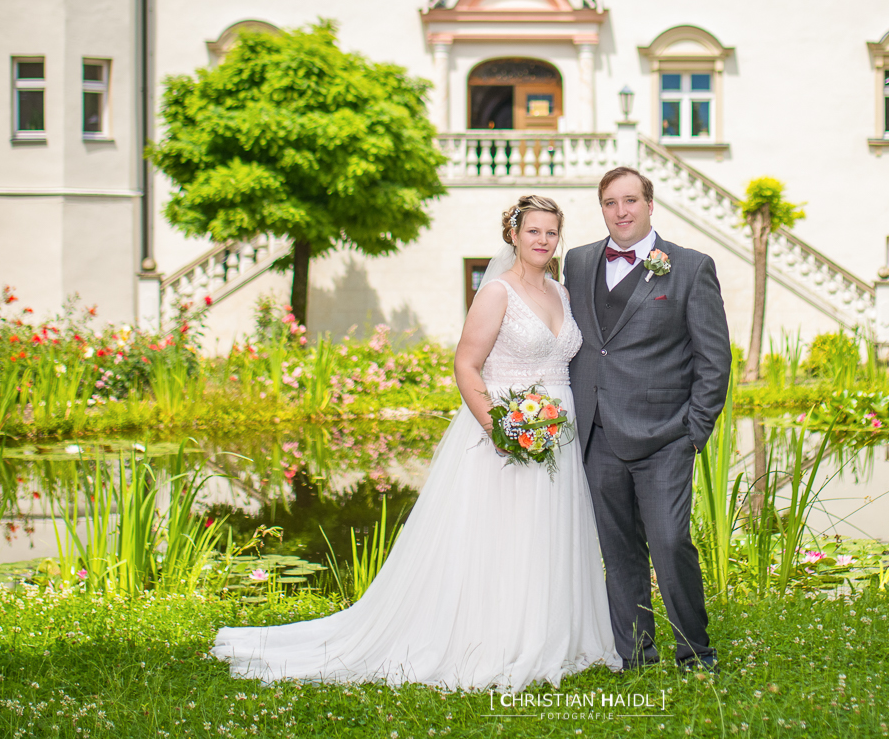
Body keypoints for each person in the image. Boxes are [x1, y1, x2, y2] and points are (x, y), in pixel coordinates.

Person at [209, 194, 616, 690]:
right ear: (513, 234)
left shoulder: (562, 293)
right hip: (507, 429)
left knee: (552, 531)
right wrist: (500, 430)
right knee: (504, 536)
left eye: (551, 232)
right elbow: (465, 366)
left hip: (558, 430)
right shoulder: (497, 294)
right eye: (533, 231)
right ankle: (496, 637)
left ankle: (555, 633)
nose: (543, 241)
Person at [566, 166, 731, 671]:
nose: (622, 211)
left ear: (650, 204)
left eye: (631, 200)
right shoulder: (577, 262)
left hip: (664, 439)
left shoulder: (690, 267)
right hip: (597, 434)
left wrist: (692, 433)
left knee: (670, 541)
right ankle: (635, 654)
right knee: (618, 553)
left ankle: (695, 653)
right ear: (602, 208)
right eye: (611, 203)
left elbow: (714, 360)